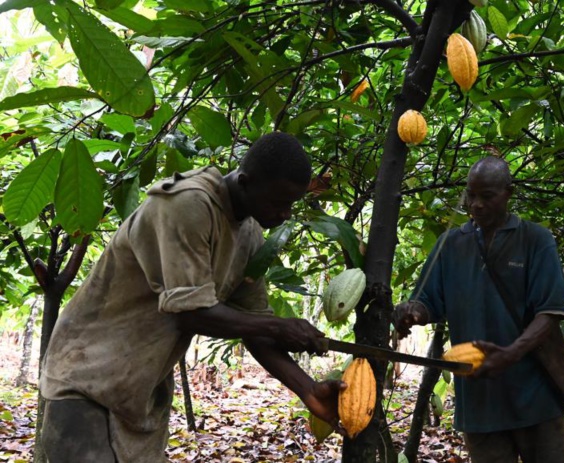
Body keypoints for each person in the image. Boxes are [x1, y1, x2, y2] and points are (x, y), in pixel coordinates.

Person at [39, 132, 345, 463]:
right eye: (278, 202)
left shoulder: (250, 234)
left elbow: (254, 327)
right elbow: (192, 313)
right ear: (245, 182)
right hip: (87, 378)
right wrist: (279, 327)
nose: (285, 214)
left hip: (137, 391)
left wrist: (309, 390)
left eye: (291, 204)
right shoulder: (187, 204)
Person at [393, 156, 564, 463]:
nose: (476, 205)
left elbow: (550, 312)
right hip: (479, 401)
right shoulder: (451, 244)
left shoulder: (535, 239)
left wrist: (511, 353)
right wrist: (413, 312)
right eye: (471, 195)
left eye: (487, 196)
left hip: (534, 395)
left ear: (508, 193)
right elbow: (428, 302)